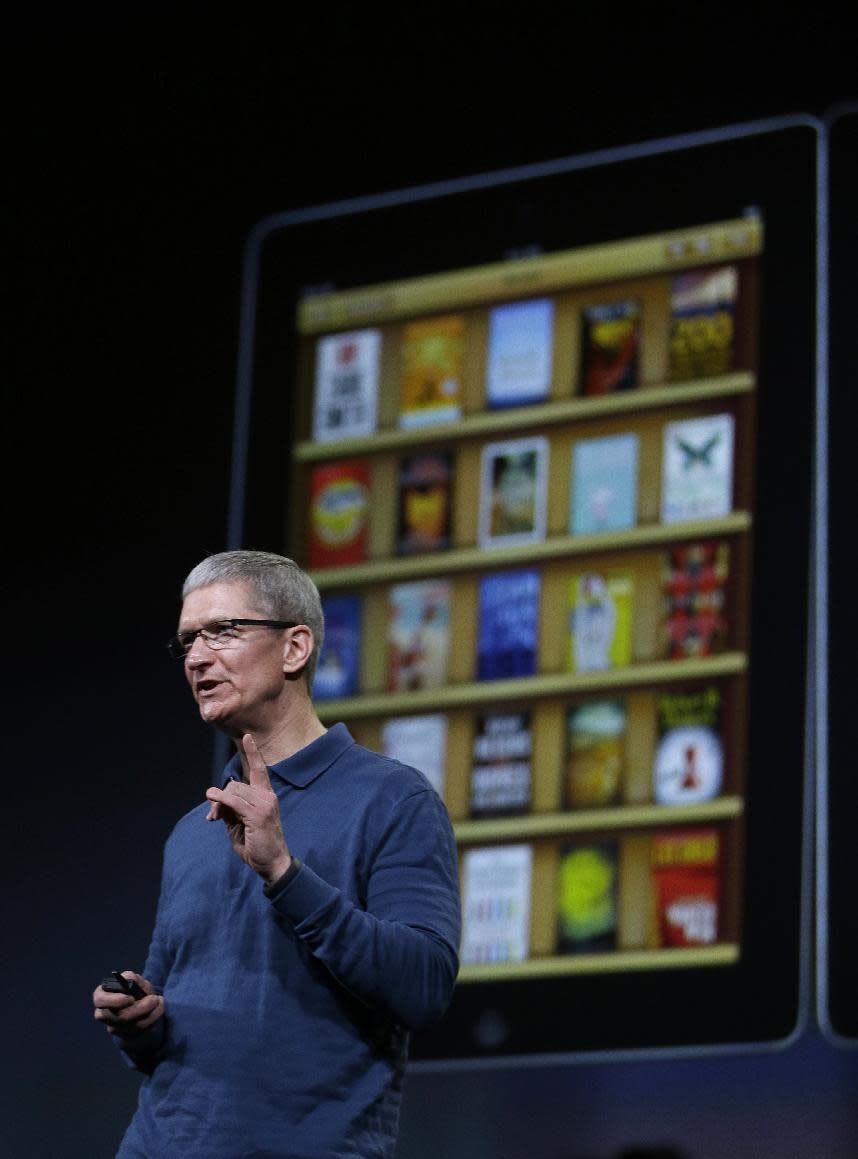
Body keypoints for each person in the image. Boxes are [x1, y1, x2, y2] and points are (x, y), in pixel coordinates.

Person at [93, 550, 462, 1158]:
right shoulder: (193, 830)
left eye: (223, 631)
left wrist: (284, 874)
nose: (196, 657)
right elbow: (171, 1027)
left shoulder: (395, 800)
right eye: (187, 640)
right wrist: (138, 1020)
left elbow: (423, 987)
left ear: (295, 647)